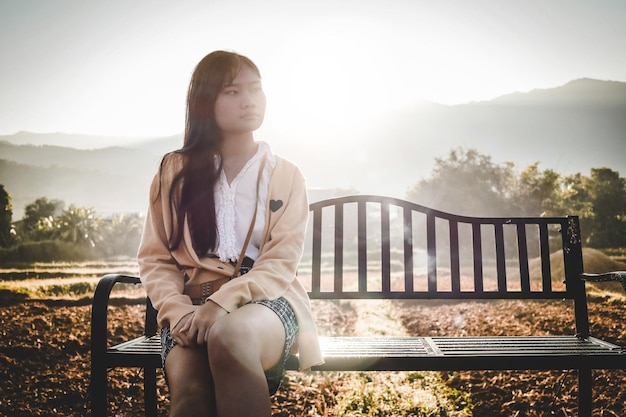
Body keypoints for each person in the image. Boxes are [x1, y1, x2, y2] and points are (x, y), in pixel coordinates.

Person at [137, 50, 323, 417]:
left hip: (264, 305)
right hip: (188, 312)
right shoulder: (172, 173)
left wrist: (221, 305)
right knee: (191, 398)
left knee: (229, 336)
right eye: (233, 91)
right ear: (206, 101)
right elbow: (155, 258)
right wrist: (177, 312)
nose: (249, 100)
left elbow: (280, 263)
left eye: (255, 89)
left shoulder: (285, 175)